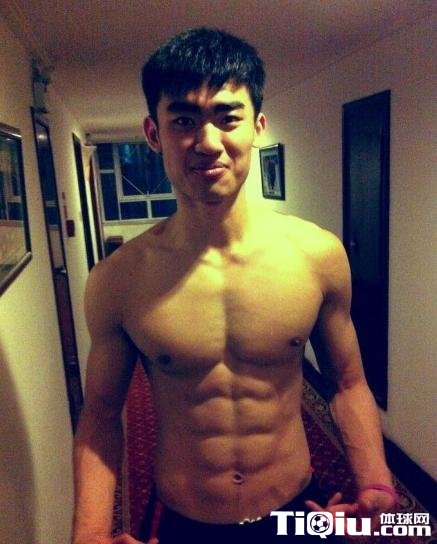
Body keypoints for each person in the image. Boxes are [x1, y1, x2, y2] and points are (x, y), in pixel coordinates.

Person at [72, 28, 397, 544]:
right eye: (183, 120)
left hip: (299, 509)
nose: (207, 143)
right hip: (182, 519)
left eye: (228, 117)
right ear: (154, 134)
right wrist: (89, 532)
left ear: (257, 127)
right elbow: (101, 415)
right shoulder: (119, 279)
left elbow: (350, 383)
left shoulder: (317, 256)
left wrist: (376, 481)